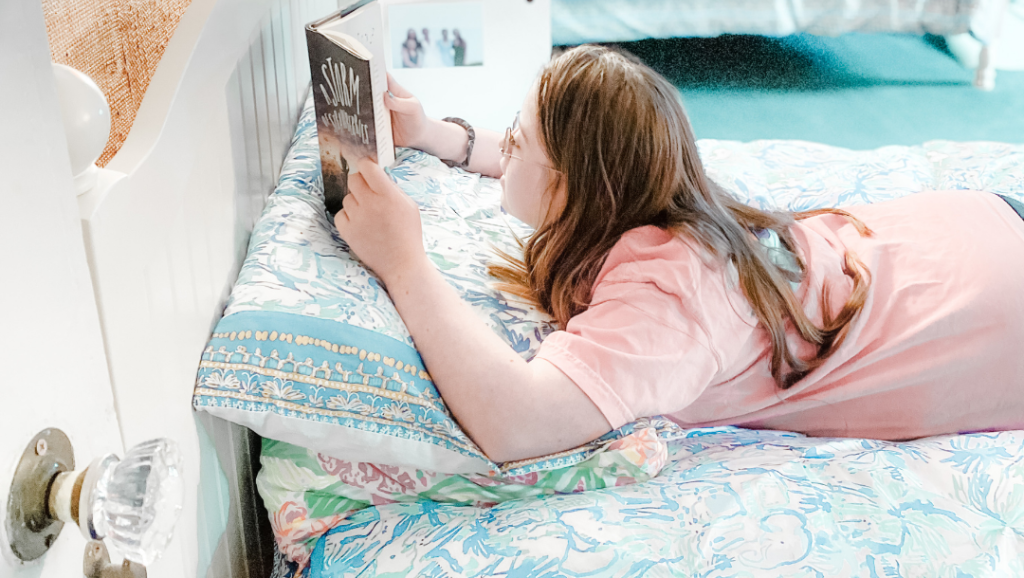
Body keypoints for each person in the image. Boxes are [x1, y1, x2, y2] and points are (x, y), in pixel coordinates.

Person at [335, 45, 1024, 465]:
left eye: (519, 136)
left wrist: (404, 262)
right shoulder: (662, 201)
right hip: (969, 234)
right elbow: (533, 168)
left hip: (998, 309)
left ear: (577, 187)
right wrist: (435, 134)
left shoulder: (671, 295)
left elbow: (519, 424)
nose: (505, 142)